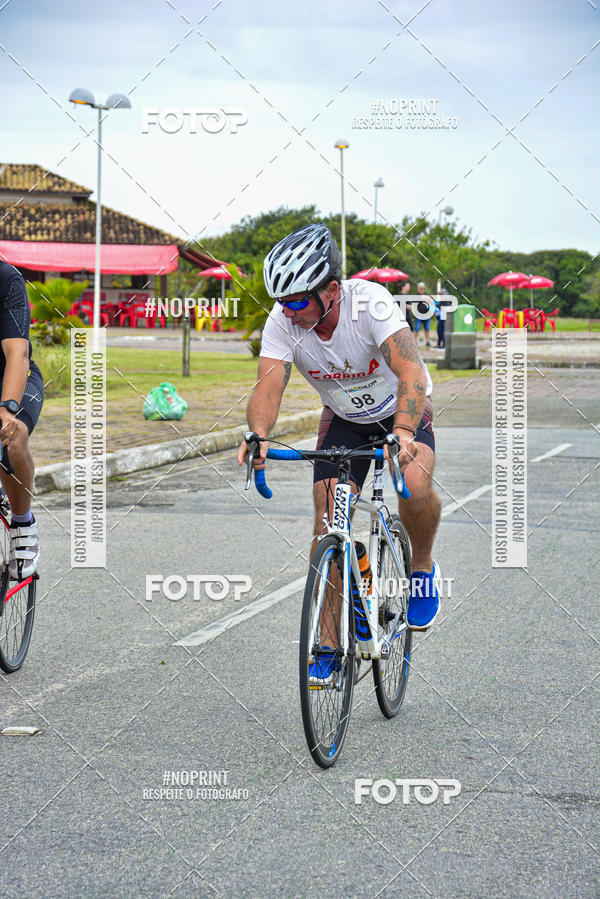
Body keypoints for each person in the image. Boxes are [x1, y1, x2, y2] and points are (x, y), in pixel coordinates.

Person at [237, 224, 441, 678]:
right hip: (344, 418)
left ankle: (422, 566)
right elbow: (268, 386)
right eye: (281, 302)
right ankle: (329, 641)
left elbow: (412, 373)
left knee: (413, 482)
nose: (288, 312)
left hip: (401, 408)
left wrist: (405, 432)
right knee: (330, 517)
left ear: (331, 290)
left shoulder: (370, 304)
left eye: (296, 301)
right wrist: (258, 434)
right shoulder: (283, 321)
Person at [0, 262, 44, 579]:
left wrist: (7, 408)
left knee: (11, 437)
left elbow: (18, 353)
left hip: (15, 379)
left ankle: (22, 522)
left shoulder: (7, 279)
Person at [414, 282, 434, 348]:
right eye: (420, 289)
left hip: (427, 315)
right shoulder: (416, 296)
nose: (422, 290)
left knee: (427, 329)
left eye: (423, 288)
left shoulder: (427, 295)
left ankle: (427, 342)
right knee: (417, 328)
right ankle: (414, 341)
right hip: (418, 315)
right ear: (418, 289)